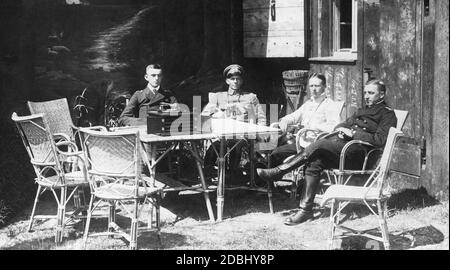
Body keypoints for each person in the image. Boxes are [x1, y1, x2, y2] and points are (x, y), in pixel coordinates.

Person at [257, 79, 397, 225]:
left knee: (320, 144)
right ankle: (305, 210)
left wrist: (353, 133)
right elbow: (341, 124)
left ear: (381, 95)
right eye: (366, 92)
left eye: (371, 93)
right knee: (315, 161)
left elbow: (380, 140)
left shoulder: (387, 114)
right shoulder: (362, 110)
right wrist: (342, 130)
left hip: (360, 156)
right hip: (344, 149)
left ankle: (280, 171)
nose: (367, 96)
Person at [202, 64, 267, 182]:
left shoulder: (250, 97)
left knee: (236, 144)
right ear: (227, 81)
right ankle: (206, 175)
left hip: (242, 136)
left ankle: (232, 175)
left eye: (238, 79)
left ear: (241, 81)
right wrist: (219, 109)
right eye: (232, 79)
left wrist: (260, 135)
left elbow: (261, 118)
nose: (235, 81)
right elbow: (205, 115)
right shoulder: (218, 97)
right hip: (221, 135)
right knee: (215, 146)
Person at [269, 73, 342, 168]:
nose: (313, 89)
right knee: (275, 153)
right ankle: (267, 181)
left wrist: (315, 126)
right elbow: (294, 116)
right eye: (311, 86)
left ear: (324, 87)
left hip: (315, 146)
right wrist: (285, 120)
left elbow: (335, 126)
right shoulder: (308, 104)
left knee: (279, 154)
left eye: (317, 86)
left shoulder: (329, 105)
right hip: (301, 143)